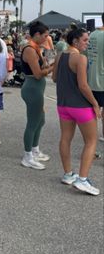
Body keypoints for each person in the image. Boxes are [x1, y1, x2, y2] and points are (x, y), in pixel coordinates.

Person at [52, 28, 100, 195]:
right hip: (80, 106)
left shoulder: (60, 56)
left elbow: (54, 78)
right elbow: (83, 86)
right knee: (91, 141)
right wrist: (95, 103)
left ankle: (68, 174)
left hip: (63, 105)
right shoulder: (80, 58)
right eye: (85, 40)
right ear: (75, 41)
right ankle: (83, 179)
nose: (87, 43)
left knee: (65, 138)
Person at [20, 21, 54, 169]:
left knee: (40, 120)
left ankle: (34, 150)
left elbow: (41, 69)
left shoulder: (35, 48)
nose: (47, 39)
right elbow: (38, 74)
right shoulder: (30, 49)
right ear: (37, 34)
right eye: (45, 36)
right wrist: (53, 67)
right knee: (33, 122)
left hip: (36, 88)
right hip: (32, 88)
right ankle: (27, 156)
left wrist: (47, 64)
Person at [87, 13, 104, 143]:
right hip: (103, 80)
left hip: (91, 80)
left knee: (92, 110)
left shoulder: (92, 35)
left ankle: (91, 138)